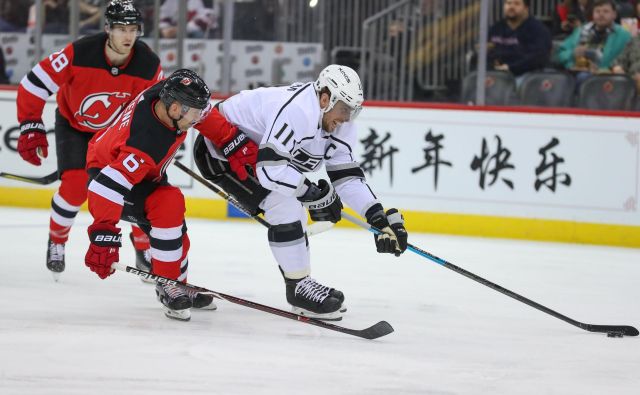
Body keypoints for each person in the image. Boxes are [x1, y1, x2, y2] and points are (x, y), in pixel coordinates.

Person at [191, 65, 409, 320]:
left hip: (258, 156)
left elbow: (346, 175)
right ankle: (299, 288)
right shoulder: (298, 111)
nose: (347, 118)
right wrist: (311, 193)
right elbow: (271, 172)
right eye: (344, 109)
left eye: (353, 111)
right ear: (325, 98)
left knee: (290, 205)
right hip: (221, 153)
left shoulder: (339, 121)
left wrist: (376, 216)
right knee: (285, 207)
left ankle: (300, 282)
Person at [16, 0, 163, 281]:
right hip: (75, 127)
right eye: (121, 29)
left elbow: (154, 110)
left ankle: (143, 248)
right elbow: (34, 84)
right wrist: (30, 125)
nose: (128, 36)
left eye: (133, 29)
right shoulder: (80, 52)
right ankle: (57, 240)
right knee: (74, 187)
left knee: (136, 188)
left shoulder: (149, 65)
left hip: (116, 135)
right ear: (108, 28)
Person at [84, 69, 217, 321]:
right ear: (176, 109)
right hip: (107, 173)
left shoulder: (163, 92)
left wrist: (231, 139)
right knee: (169, 205)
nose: (198, 118)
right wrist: (103, 235)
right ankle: (169, 284)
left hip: (133, 168)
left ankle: (177, 283)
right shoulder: (146, 143)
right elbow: (105, 187)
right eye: (195, 113)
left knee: (176, 228)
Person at [555, 0, 631, 75]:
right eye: (597, 11)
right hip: (579, 72)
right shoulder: (581, 30)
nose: (601, 14)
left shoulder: (624, 35)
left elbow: (628, 62)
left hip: (608, 76)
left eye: (606, 11)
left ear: (614, 15)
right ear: (592, 14)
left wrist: (602, 70)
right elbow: (560, 54)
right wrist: (572, 54)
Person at [487, 0, 552, 78]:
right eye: (508, 3)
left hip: (526, 76)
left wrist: (510, 67)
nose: (511, 7)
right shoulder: (496, 28)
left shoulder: (539, 30)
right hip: (496, 74)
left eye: (516, 3)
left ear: (526, 8)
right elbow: (487, 51)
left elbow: (538, 58)